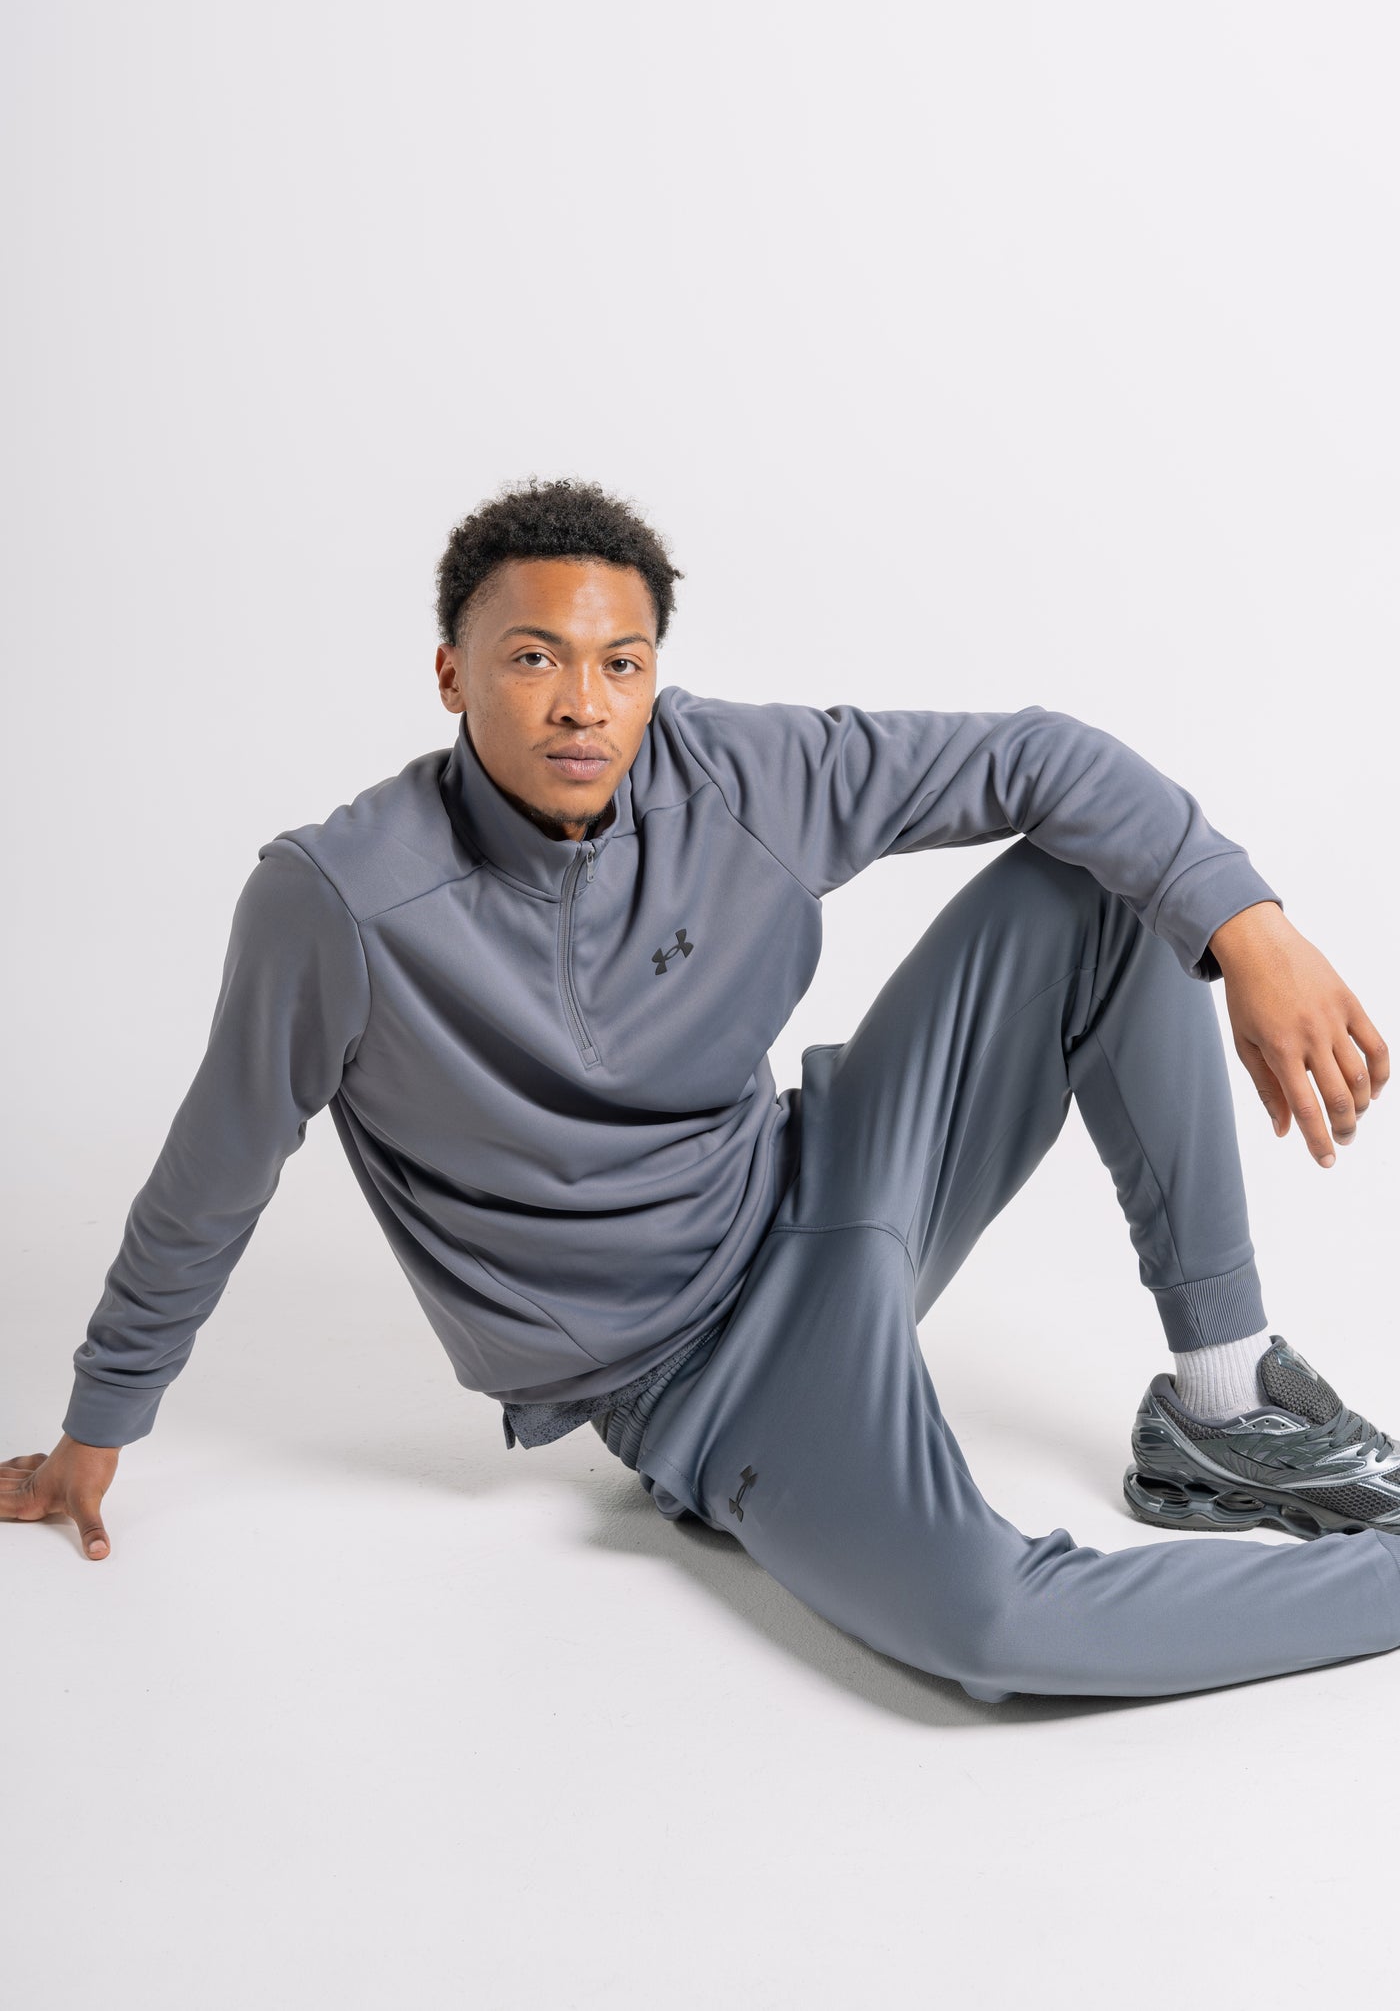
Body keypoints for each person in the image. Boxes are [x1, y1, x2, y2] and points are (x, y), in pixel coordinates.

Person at [6, 476, 1400, 1704]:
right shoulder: (339, 901)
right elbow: (214, 1174)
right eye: (534, 659)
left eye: (621, 664)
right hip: (710, 1376)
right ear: (450, 675)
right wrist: (95, 1429)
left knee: (1110, 880)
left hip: (835, 1178)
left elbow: (1043, 756)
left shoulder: (729, 774)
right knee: (993, 1624)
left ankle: (1227, 1412)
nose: (583, 703)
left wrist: (1251, 927)